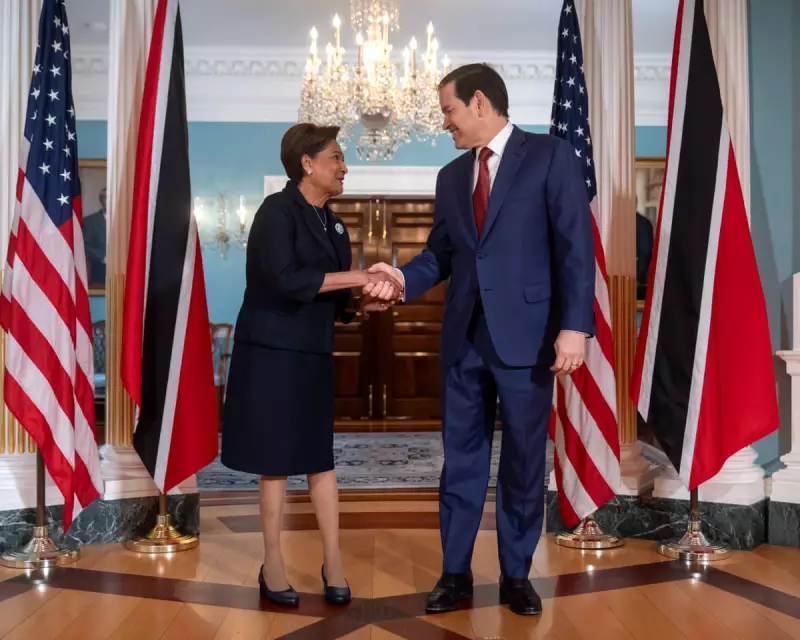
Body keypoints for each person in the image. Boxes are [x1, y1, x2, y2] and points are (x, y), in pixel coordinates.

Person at [365, 63, 595, 616]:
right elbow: (440, 255)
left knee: (523, 460)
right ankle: (455, 573)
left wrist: (574, 327)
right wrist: (399, 279)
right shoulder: (451, 176)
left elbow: (575, 246)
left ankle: (516, 575)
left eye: (448, 110)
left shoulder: (550, 156)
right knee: (460, 461)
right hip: (464, 340)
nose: (444, 122)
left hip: (530, 341)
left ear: (480, 103)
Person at [221, 123, 401, 607]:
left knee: (321, 457)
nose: (345, 167)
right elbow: (285, 280)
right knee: (276, 462)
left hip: (314, 353)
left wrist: (362, 304)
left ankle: (333, 563)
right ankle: (272, 564)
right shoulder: (275, 212)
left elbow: (334, 300)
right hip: (273, 355)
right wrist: (360, 275)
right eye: (336, 157)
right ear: (307, 163)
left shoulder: (334, 224)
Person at [84, 186, 107, 286]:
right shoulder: (90, 221)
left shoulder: (126, 220)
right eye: (106, 198)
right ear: (102, 201)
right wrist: (103, 257)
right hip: (100, 270)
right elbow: (85, 245)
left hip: (125, 269)